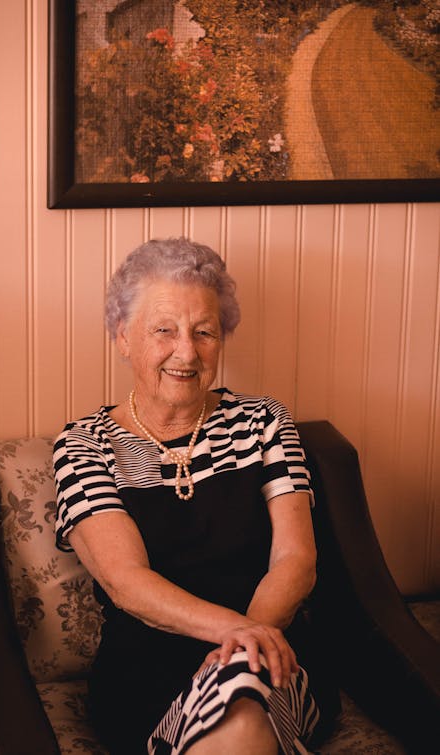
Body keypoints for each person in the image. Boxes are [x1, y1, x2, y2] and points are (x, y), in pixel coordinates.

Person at [53, 237, 328, 755]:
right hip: (147, 672)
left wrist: (248, 643)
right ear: (122, 337)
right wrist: (237, 633)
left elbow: (297, 558)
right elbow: (127, 582)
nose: (187, 351)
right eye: (164, 330)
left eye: (205, 332)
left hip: (270, 651)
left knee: (244, 709)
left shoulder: (264, 422)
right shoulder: (85, 444)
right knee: (241, 723)